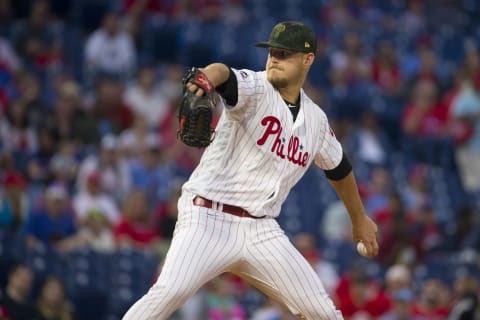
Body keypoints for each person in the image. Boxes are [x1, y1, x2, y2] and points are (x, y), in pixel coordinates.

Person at [123, 21, 378, 320]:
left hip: (261, 229)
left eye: (285, 54)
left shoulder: (316, 121)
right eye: (272, 52)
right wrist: (204, 81)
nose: (274, 59)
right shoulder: (256, 87)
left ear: (308, 60)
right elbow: (223, 72)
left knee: (322, 312)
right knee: (170, 291)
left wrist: (359, 219)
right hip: (208, 217)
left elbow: (339, 168)